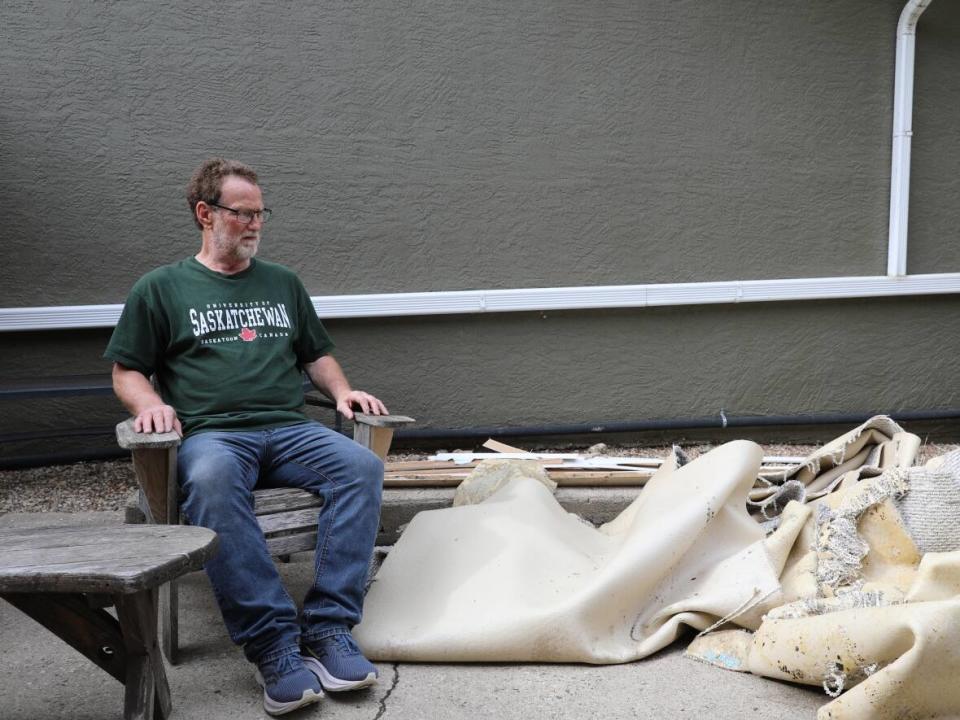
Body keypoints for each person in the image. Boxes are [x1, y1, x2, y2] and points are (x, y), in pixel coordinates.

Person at [105, 158, 387, 716]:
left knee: (362, 467)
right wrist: (152, 404)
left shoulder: (282, 282)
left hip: (287, 427)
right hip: (213, 435)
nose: (256, 224)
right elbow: (127, 370)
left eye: (261, 213)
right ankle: (273, 645)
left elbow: (315, 354)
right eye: (243, 213)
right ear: (205, 214)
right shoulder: (160, 288)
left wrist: (342, 393)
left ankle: (329, 630)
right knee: (209, 481)